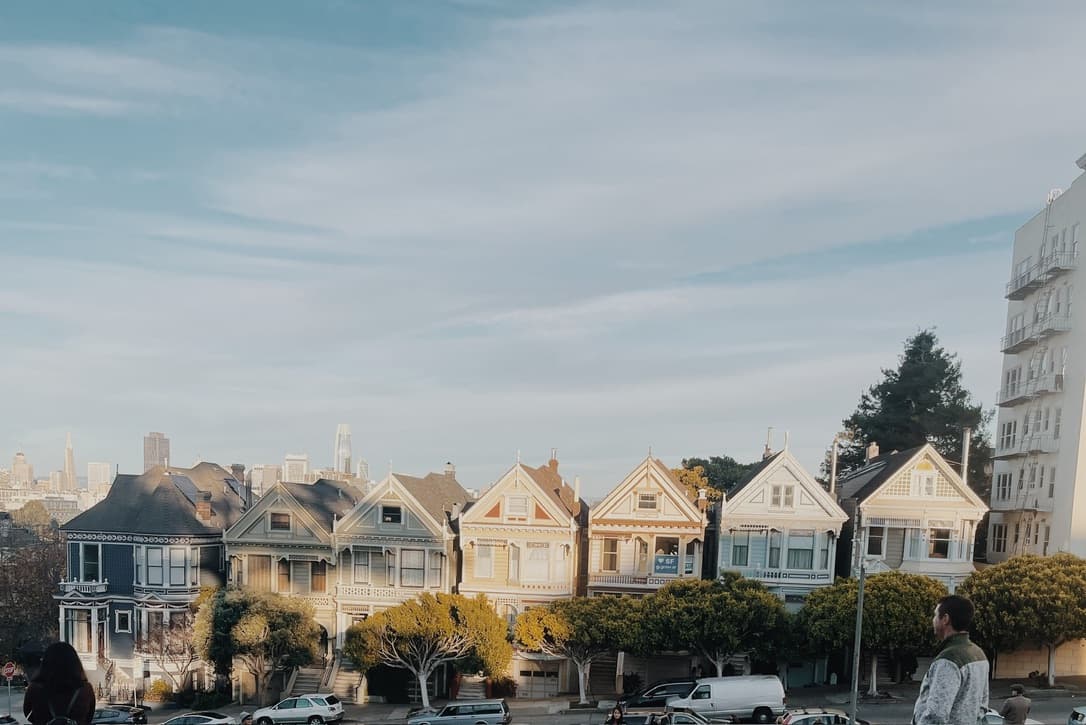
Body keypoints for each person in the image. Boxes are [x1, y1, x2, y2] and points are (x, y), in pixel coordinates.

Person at [911, 594, 989, 725]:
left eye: (935, 615)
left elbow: (936, 715)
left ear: (945, 619)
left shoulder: (948, 659)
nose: (933, 620)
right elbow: (983, 705)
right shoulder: (979, 654)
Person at [22, 642, 96, 725]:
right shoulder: (85, 690)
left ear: (46, 662)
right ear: (75, 663)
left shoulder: (34, 689)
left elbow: (28, 715)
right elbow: (89, 718)